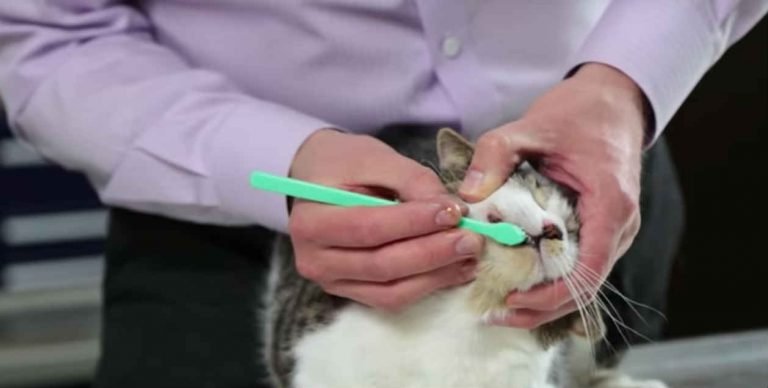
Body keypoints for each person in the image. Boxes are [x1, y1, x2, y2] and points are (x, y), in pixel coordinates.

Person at [0, 2, 765, 387]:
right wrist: (266, 158)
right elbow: (46, 35)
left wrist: (624, 85)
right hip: (225, 233)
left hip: (592, 182)